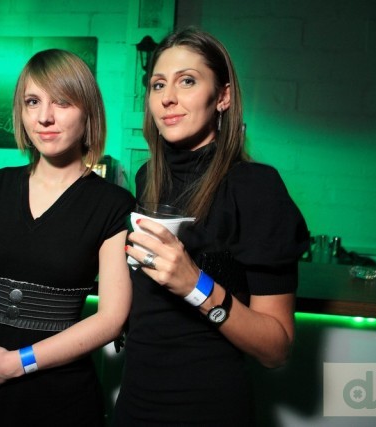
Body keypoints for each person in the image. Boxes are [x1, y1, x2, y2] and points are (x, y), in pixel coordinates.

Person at [113, 27, 310, 426]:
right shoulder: (148, 177)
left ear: (223, 97)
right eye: (158, 84)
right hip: (135, 399)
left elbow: (276, 349)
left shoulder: (255, 187)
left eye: (187, 81)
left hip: (205, 406)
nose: (167, 97)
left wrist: (195, 285)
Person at [0, 49, 135, 427]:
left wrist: (16, 363)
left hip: (60, 394)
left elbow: (111, 319)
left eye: (62, 102)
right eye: (32, 102)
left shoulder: (112, 204)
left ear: (88, 111)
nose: (44, 117)